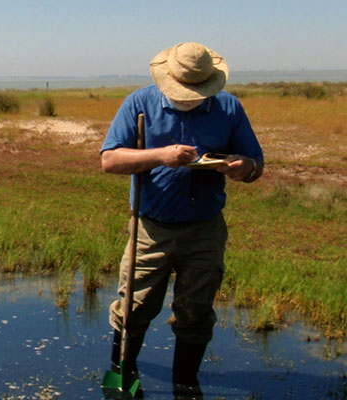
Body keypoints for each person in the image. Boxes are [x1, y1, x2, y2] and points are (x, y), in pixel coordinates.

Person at [101, 42, 264, 397]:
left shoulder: (229, 107)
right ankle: (122, 373)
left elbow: (256, 165)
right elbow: (110, 160)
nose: (189, 98)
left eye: (196, 92)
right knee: (133, 307)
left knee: (196, 311)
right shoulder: (139, 103)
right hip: (150, 228)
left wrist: (242, 168)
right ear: (167, 79)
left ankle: (186, 385)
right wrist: (161, 155)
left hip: (205, 229)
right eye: (182, 92)